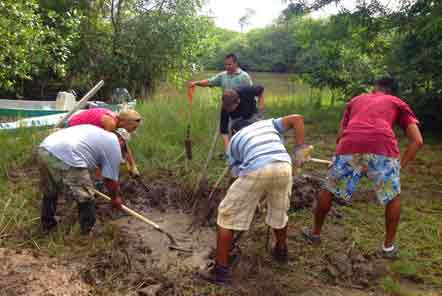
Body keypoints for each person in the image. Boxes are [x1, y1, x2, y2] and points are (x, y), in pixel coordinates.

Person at [301, 77, 423, 259]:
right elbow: (417, 140)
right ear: (392, 92)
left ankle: (315, 234)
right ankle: (388, 247)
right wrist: (398, 168)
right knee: (393, 196)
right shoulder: (397, 102)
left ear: (375, 88)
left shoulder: (356, 100)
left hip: (350, 144)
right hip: (383, 146)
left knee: (329, 188)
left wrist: (342, 159)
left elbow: (340, 135)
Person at [199, 114, 307, 285]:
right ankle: (281, 251)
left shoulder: (234, 141)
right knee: (279, 212)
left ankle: (220, 270)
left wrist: (249, 198)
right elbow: (297, 119)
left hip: (257, 168)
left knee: (226, 215)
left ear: (234, 130)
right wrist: (300, 150)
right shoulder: (267, 124)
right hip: (284, 166)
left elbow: (238, 175)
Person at [38, 125, 129, 234]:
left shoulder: (98, 133)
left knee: (50, 190)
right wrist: (115, 198)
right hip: (69, 153)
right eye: (124, 147)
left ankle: (48, 225)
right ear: (122, 141)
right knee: (86, 196)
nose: (122, 149)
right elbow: (110, 179)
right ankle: (86, 232)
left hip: (44, 148)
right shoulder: (114, 145)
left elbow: (97, 168)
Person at [67, 108, 142, 176]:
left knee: (118, 142)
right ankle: (98, 177)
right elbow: (103, 149)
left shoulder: (115, 119)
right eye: (134, 127)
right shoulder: (110, 124)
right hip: (73, 129)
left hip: (83, 128)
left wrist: (133, 166)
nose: (134, 130)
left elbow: (124, 147)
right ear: (125, 122)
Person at [220, 85, 265, 152]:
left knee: (255, 137)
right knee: (237, 139)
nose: (228, 110)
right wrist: (227, 149)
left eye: (230, 108)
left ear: (238, 101)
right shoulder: (225, 107)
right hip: (237, 120)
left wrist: (260, 107)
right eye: (227, 108)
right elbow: (224, 130)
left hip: (252, 115)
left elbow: (261, 89)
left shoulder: (246, 90)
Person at [188, 53, 252, 91]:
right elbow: (209, 82)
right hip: (226, 107)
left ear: (236, 64)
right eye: (225, 64)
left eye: (229, 64)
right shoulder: (222, 75)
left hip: (241, 108)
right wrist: (196, 83)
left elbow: (251, 93)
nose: (227, 67)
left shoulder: (244, 76)